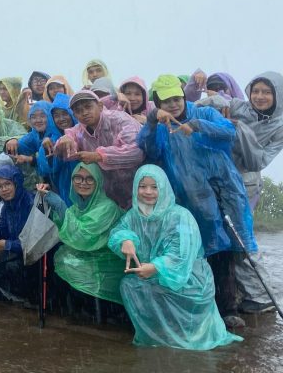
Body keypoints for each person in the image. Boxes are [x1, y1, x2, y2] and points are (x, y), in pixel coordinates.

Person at [137, 74, 255, 329]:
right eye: (166, 100)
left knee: (226, 250)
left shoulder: (204, 113)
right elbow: (148, 147)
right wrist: (150, 121)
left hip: (223, 191)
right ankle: (203, 307)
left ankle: (228, 309)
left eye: (177, 98)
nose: (174, 104)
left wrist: (198, 125)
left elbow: (229, 132)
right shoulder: (161, 126)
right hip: (190, 200)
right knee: (196, 252)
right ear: (158, 102)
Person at [108, 165, 242, 350]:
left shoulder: (180, 216)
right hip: (155, 272)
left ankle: (183, 333)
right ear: (135, 188)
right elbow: (118, 231)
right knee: (129, 285)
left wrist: (156, 267)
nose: (148, 192)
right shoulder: (134, 215)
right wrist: (126, 240)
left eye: (154, 187)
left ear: (163, 188)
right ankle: (156, 334)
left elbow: (180, 256)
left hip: (190, 278)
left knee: (152, 287)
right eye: (142, 186)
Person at [198, 71, 283, 314]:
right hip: (218, 177)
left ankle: (261, 296)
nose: (260, 96)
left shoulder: (279, 126)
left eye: (267, 92)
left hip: (246, 182)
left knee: (241, 240)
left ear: (278, 95)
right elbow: (205, 103)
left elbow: (259, 161)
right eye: (256, 91)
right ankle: (228, 294)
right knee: (218, 237)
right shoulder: (239, 107)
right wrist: (213, 111)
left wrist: (237, 130)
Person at [0, 165, 66, 307]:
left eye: (7, 184)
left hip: (40, 259)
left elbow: (36, 243)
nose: (4, 189)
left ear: (17, 182)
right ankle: (20, 295)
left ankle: (33, 297)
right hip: (20, 255)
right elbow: (2, 232)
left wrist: (7, 244)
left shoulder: (34, 203)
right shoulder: (7, 206)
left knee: (9, 269)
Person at [53, 163, 125, 320]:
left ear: (98, 182)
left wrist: (60, 208)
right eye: (78, 178)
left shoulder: (107, 208)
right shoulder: (77, 208)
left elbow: (83, 235)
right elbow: (65, 231)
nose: (83, 183)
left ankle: (93, 314)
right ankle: (78, 313)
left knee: (70, 265)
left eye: (89, 179)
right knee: (59, 258)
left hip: (106, 262)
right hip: (88, 257)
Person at [54, 90, 143, 209]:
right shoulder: (79, 130)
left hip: (139, 186)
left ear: (100, 106)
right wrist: (64, 140)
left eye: (88, 107)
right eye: (79, 111)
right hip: (109, 195)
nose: (84, 113)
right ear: (75, 115)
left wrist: (99, 156)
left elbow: (137, 151)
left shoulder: (120, 119)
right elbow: (66, 144)